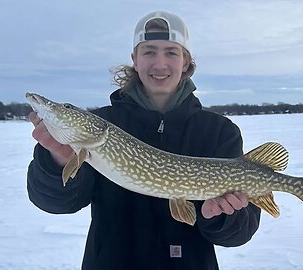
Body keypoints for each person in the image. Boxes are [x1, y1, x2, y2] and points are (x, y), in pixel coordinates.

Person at [27, 10, 261, 270]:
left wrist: (220, 218)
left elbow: (240, 232)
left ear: (186, 62)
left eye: (171, 52)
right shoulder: (103, 125)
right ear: (135, 60)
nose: (160, 64)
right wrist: (57, 160)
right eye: (149, 51)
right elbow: (55, 202)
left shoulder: (219, 131)